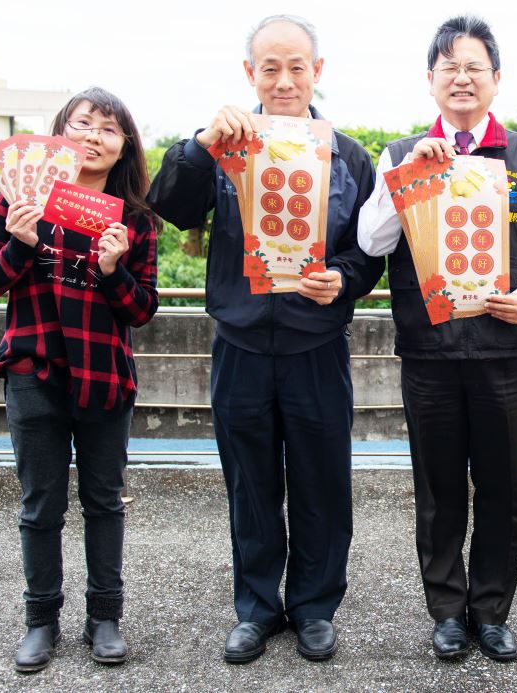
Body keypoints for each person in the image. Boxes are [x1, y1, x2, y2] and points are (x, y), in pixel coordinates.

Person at [147, 15, 384, 663]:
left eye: (296, 66)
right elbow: (168, 205)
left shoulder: (349, 155)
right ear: (249, 73)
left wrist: (342, 277)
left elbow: (369, 253)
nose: (284, 80)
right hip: (241, 346)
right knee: (250, 483)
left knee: (322, 481)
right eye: (269, 68)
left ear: (318, 71)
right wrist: (200, 143)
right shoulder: (224, 145)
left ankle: (313, 606)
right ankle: (256, 607)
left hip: (317, 347)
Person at [357, 15, 517, 662]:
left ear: (496, 79)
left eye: (475, 66)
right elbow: (370, 241)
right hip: (429, 348)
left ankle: (492, 609)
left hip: (503, 347)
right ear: (431, 81)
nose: (463, 78)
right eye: (450, 67)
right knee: (439, 485)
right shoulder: (399, 153)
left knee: (502, 486)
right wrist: (408, 176)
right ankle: (447, 608)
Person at [0, 87, 159, 672]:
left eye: (108, 128)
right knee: (40, 505)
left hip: (105, 377)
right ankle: (40, 621)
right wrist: (20, 246)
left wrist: (111, 269)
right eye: (82, 124)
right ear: (59, 132)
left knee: (104, 502)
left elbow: (141, 310)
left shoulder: (136, 221)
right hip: (33, 371)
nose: (93, 136)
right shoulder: (17, 200)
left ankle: (105, 618)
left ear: (124, 146)